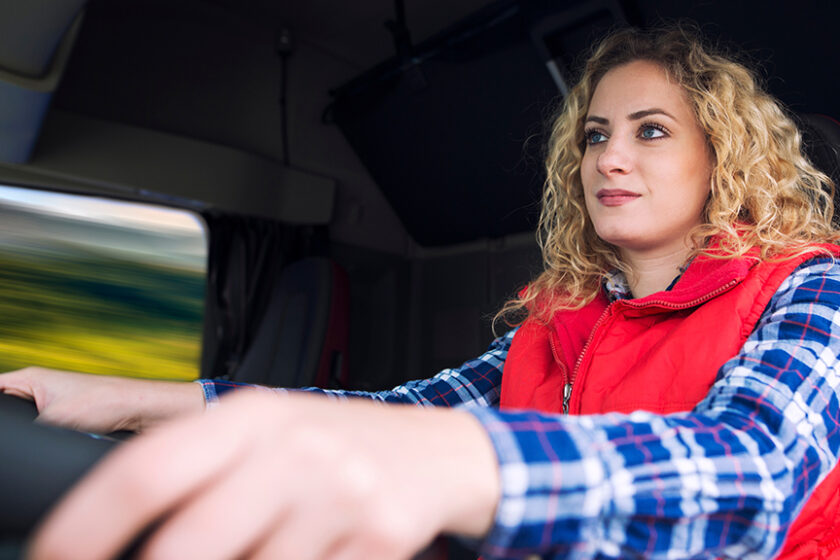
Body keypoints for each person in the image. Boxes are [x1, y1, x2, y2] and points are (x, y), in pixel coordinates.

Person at [3, 24, 840, 560]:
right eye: (595, 136)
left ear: (723, 159)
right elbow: (401, 415)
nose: (609, 158)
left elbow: (760, 466)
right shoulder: (555, 326)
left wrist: (456, 466)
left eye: (650, 131)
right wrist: (131, 401)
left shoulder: (812, 289)